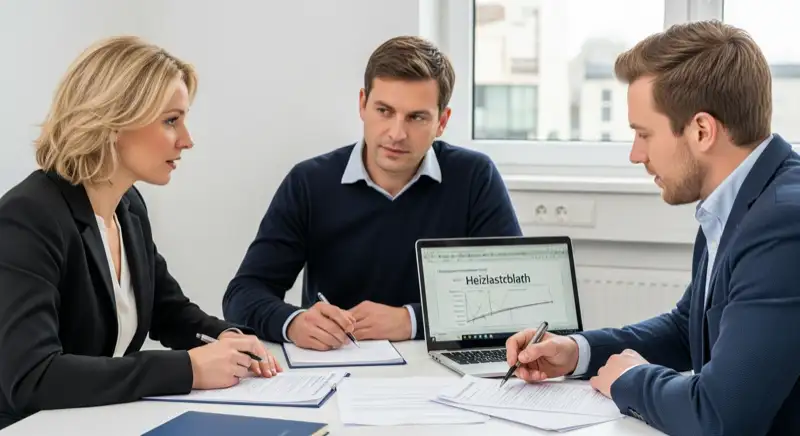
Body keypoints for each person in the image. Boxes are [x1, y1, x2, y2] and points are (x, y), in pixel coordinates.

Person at [505, 20, 800, 435]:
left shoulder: (782, 223)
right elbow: (687, 330)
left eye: (644, 134)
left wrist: (630, 379)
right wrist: (576, 351)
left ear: (701, 130)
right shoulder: (740, 200)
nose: (635, 154)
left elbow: (720, 416)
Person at [0, 36, 283, 430]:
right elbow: (33, 377)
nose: (187, 140)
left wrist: (227, 337)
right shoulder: (28, 217)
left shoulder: (128, 206)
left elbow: (168, 311)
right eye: (171, 120)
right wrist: (187, 369)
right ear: (114, 121)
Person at [222, 35, 521, 350]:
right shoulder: (309, 182)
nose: (396, 133)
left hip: (441, 368)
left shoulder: (474, 177)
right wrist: (293, 322)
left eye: (416, 117)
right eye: (384, 111)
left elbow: (515, 297)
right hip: (337, 365)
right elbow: (243, 294)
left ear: (442, 122)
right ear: (362, 105)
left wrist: (412, 320)